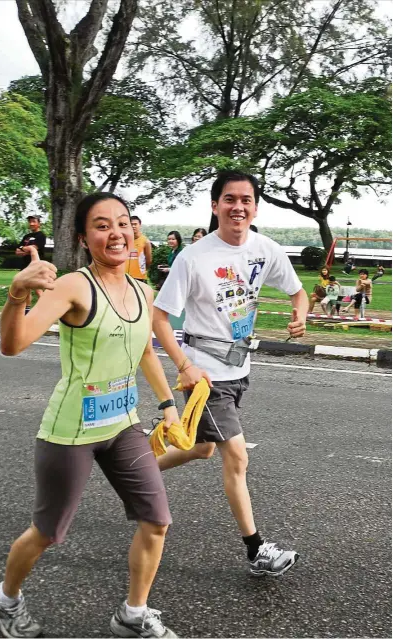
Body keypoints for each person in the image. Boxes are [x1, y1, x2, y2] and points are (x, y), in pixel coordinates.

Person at [0, 192, 178, 639]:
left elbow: (144, 350)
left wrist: (167, 405)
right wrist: (16, 293)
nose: (116, 233)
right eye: (102, 225)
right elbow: (13, 344)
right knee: (48, 532)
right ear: (83, 238)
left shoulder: (140, 289)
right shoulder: (74, 286)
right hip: (71, 431)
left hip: (125, 425)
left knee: (157, 520)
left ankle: (133, 612)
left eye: (123, 223)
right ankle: (5, 597)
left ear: (134, 230)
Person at [153, 170, 308, 576]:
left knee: (203, 447)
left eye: (246, 200)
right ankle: (256, 551)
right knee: (235, 457)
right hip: (206, 375)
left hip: (240, 366)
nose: (238, 207)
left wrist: (300, 315)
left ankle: (135, 468)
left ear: (255, 206)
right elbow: (159, 318)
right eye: (229, 199)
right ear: (215, 205)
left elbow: (297, 291)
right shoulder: (193, 257)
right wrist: (184, 366)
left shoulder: (266, 249)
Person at [16, 215, 47, 314]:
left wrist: (24, 249)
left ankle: (46, 309)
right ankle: (27, 310)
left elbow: (34, 248)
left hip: (35, 266)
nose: (31, 223)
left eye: (34, 221)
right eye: (30, 221)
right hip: (25, 266)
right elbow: (17, 251)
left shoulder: (41, 236)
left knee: (37, 289)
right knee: (26, 289)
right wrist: (26, 250)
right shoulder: (26, 237)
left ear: (39, 223)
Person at [125, 215, 153, 281]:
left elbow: (148, 261)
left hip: (139, 276)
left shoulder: (146, 241)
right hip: (125, 275)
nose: (133, 226)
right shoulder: (124, 240)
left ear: (140, 225)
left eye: (135, 224)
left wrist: (142, 270)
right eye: (131, 224)